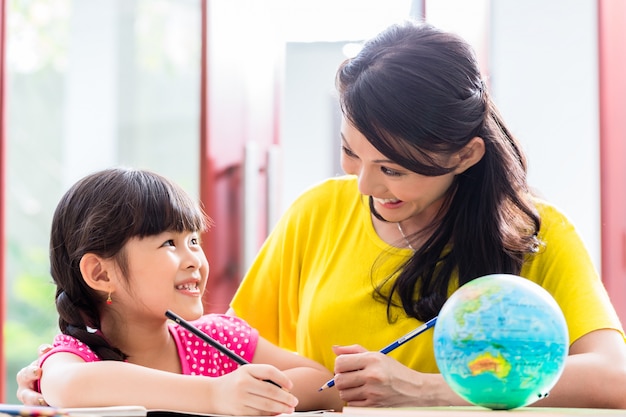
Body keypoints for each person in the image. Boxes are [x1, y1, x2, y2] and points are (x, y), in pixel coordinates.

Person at [16, 20, 626, 409]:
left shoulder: (532, 234)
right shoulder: (318, 212)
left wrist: (435, 391)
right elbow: (228, 357)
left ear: (464, 155)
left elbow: (612, 379)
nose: (363, 183)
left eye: (395, 169)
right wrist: (77, 380)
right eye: (352, 153)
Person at [15, 167, 342, 415]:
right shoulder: (74, 357)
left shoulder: (218, 339)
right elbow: (72, 386)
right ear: (101, 273)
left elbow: (324, 383)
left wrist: (261, 393)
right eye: (169, 243)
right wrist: (216, 395)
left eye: (194, 241)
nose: (194, 260)